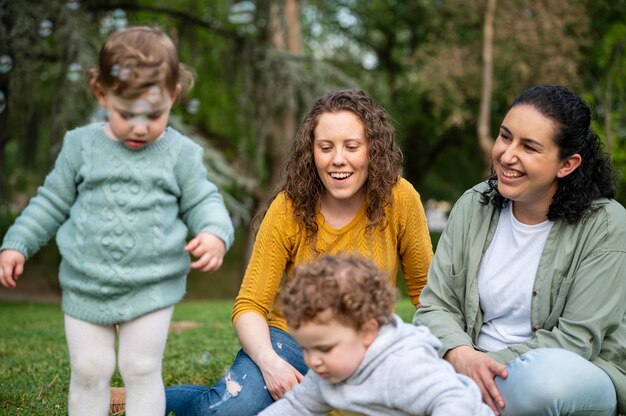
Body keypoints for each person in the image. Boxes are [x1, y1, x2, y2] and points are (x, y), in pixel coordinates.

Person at [0, 26, 234, 416]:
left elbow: (204, 201)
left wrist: (214, 232)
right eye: (127, 114)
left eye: (154, 114)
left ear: (173, 95)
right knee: (90, 370)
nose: (140, 127)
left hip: (153, 285)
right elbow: (50, 202)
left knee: (140, 368)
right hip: (86, 283)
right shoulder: (80, 145)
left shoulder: (180, 154)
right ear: (102, 94)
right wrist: (16, 243)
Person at [164, 89, 434, 415]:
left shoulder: (401, 199)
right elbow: (249, 305)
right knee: (222, 411)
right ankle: (148, 396)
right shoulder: (289, 207)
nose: (338, 159)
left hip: (367, 345)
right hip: (292, 343)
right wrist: (269, 363)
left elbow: (427, 296)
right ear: (312, 151)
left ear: (372, 150)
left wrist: (427, 360)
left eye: (351, 146)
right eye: (325, 147)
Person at [413, 85, 626, 416]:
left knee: (541, 384)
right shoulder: (474, 205)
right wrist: (460, 354)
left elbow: (575, 341)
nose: (507, 155)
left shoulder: (607, 224)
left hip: (573, 373)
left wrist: (478, 370)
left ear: (567, 164)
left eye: (529, 147)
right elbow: (435, 306)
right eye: (505, 136)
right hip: (468, 361)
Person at [258, 253, 494, 416]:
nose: (313, 360)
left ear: (368, 332)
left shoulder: (401, 366)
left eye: (325, 348)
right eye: (306, 349)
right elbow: (298, 407)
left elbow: (454, 398)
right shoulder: (327, 371)